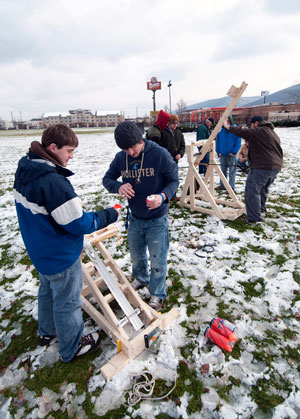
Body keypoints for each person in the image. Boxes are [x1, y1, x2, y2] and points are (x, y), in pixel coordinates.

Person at [13, 124, 118, 362]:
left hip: (40, 250)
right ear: (52, 148)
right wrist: (109, 215)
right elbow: (77, 223)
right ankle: (71, 346)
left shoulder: (26, 168)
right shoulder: (52, 182)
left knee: (47, 291)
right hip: (59, 253)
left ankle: (46, 332)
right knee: (67, 301)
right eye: (69, 151)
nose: (71, 156)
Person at [103, 121, 178, 310]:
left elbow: (174, 181)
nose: (130, 152)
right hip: (135, 217)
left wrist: (162, 197)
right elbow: (107, 179)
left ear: (140, 139)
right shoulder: (121, 158)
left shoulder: (159, 154)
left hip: (157, 219)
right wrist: (118, 186)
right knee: (137, 256)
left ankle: (157, 293)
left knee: (158, 258)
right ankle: (141, 278)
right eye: (124, 149)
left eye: (132, 147)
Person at [223, 115, 283, 224]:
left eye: (251, 126)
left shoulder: (260, 130)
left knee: (252, 190)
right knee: (262, 189)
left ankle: (255, 218)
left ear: (255, 123)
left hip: (262, 166)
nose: (251, 128)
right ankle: (260, 209)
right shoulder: (272, 132)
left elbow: (244, 132)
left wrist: (228, 127)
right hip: (274, 166)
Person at [161, 114, 185, 200]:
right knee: (164, 179)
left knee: (174, 179)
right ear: (169, 123)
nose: (175, 125)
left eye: (176, 123)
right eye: (173, 124)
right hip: (165, 162)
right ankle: (165, 196)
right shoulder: (163, 133)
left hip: (175, 161)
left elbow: (183, 146)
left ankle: (173, 195)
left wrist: (180, 154)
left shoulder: (179, 133)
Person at [216, 115, 241, 191]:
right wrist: (218, 151)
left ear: (229, 120)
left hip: (231, 155)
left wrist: (234, 152)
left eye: (226, 120)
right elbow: (218, 141)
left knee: (231, 172)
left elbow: (238, 142)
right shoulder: (221, 131)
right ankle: (223, 185)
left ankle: (231, 187)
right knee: (222, 171)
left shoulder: (235, 129)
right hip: (222, 154)